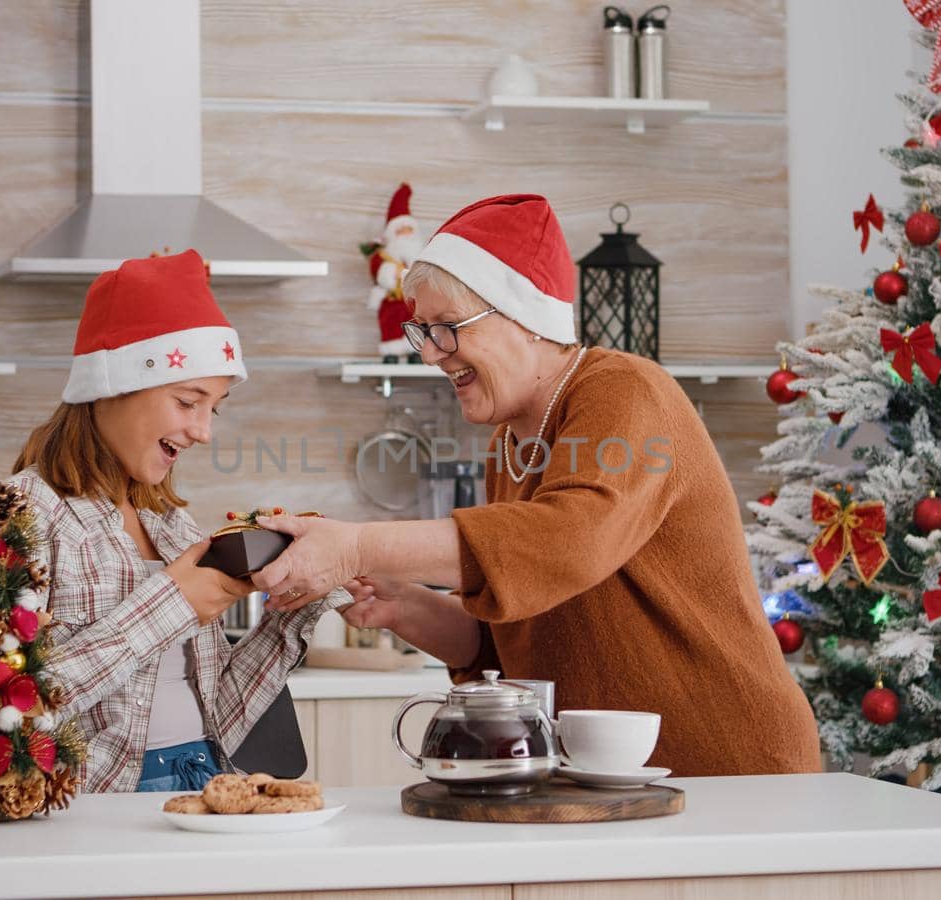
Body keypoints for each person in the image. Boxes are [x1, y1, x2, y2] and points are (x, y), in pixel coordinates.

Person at [255, 195, 821, 776]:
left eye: (446, 328)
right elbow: (513, 639)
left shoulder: (626, 390)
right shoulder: (509, 445)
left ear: (524, 319)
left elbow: (565, 539)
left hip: (728, 763)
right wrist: (404, 606)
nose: (430, 354)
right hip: (614, 774)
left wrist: (356, 544)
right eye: (422, 331)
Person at [3, 251, 339, 793]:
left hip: (206, 782)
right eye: (188, 401)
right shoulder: (25, 514)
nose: (204, 431)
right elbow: (5, 708)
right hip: (95, 808)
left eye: (215, 408)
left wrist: (296, 606)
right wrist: (170, 605)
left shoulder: (172, 526)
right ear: (112, 386)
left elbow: (223, 716)